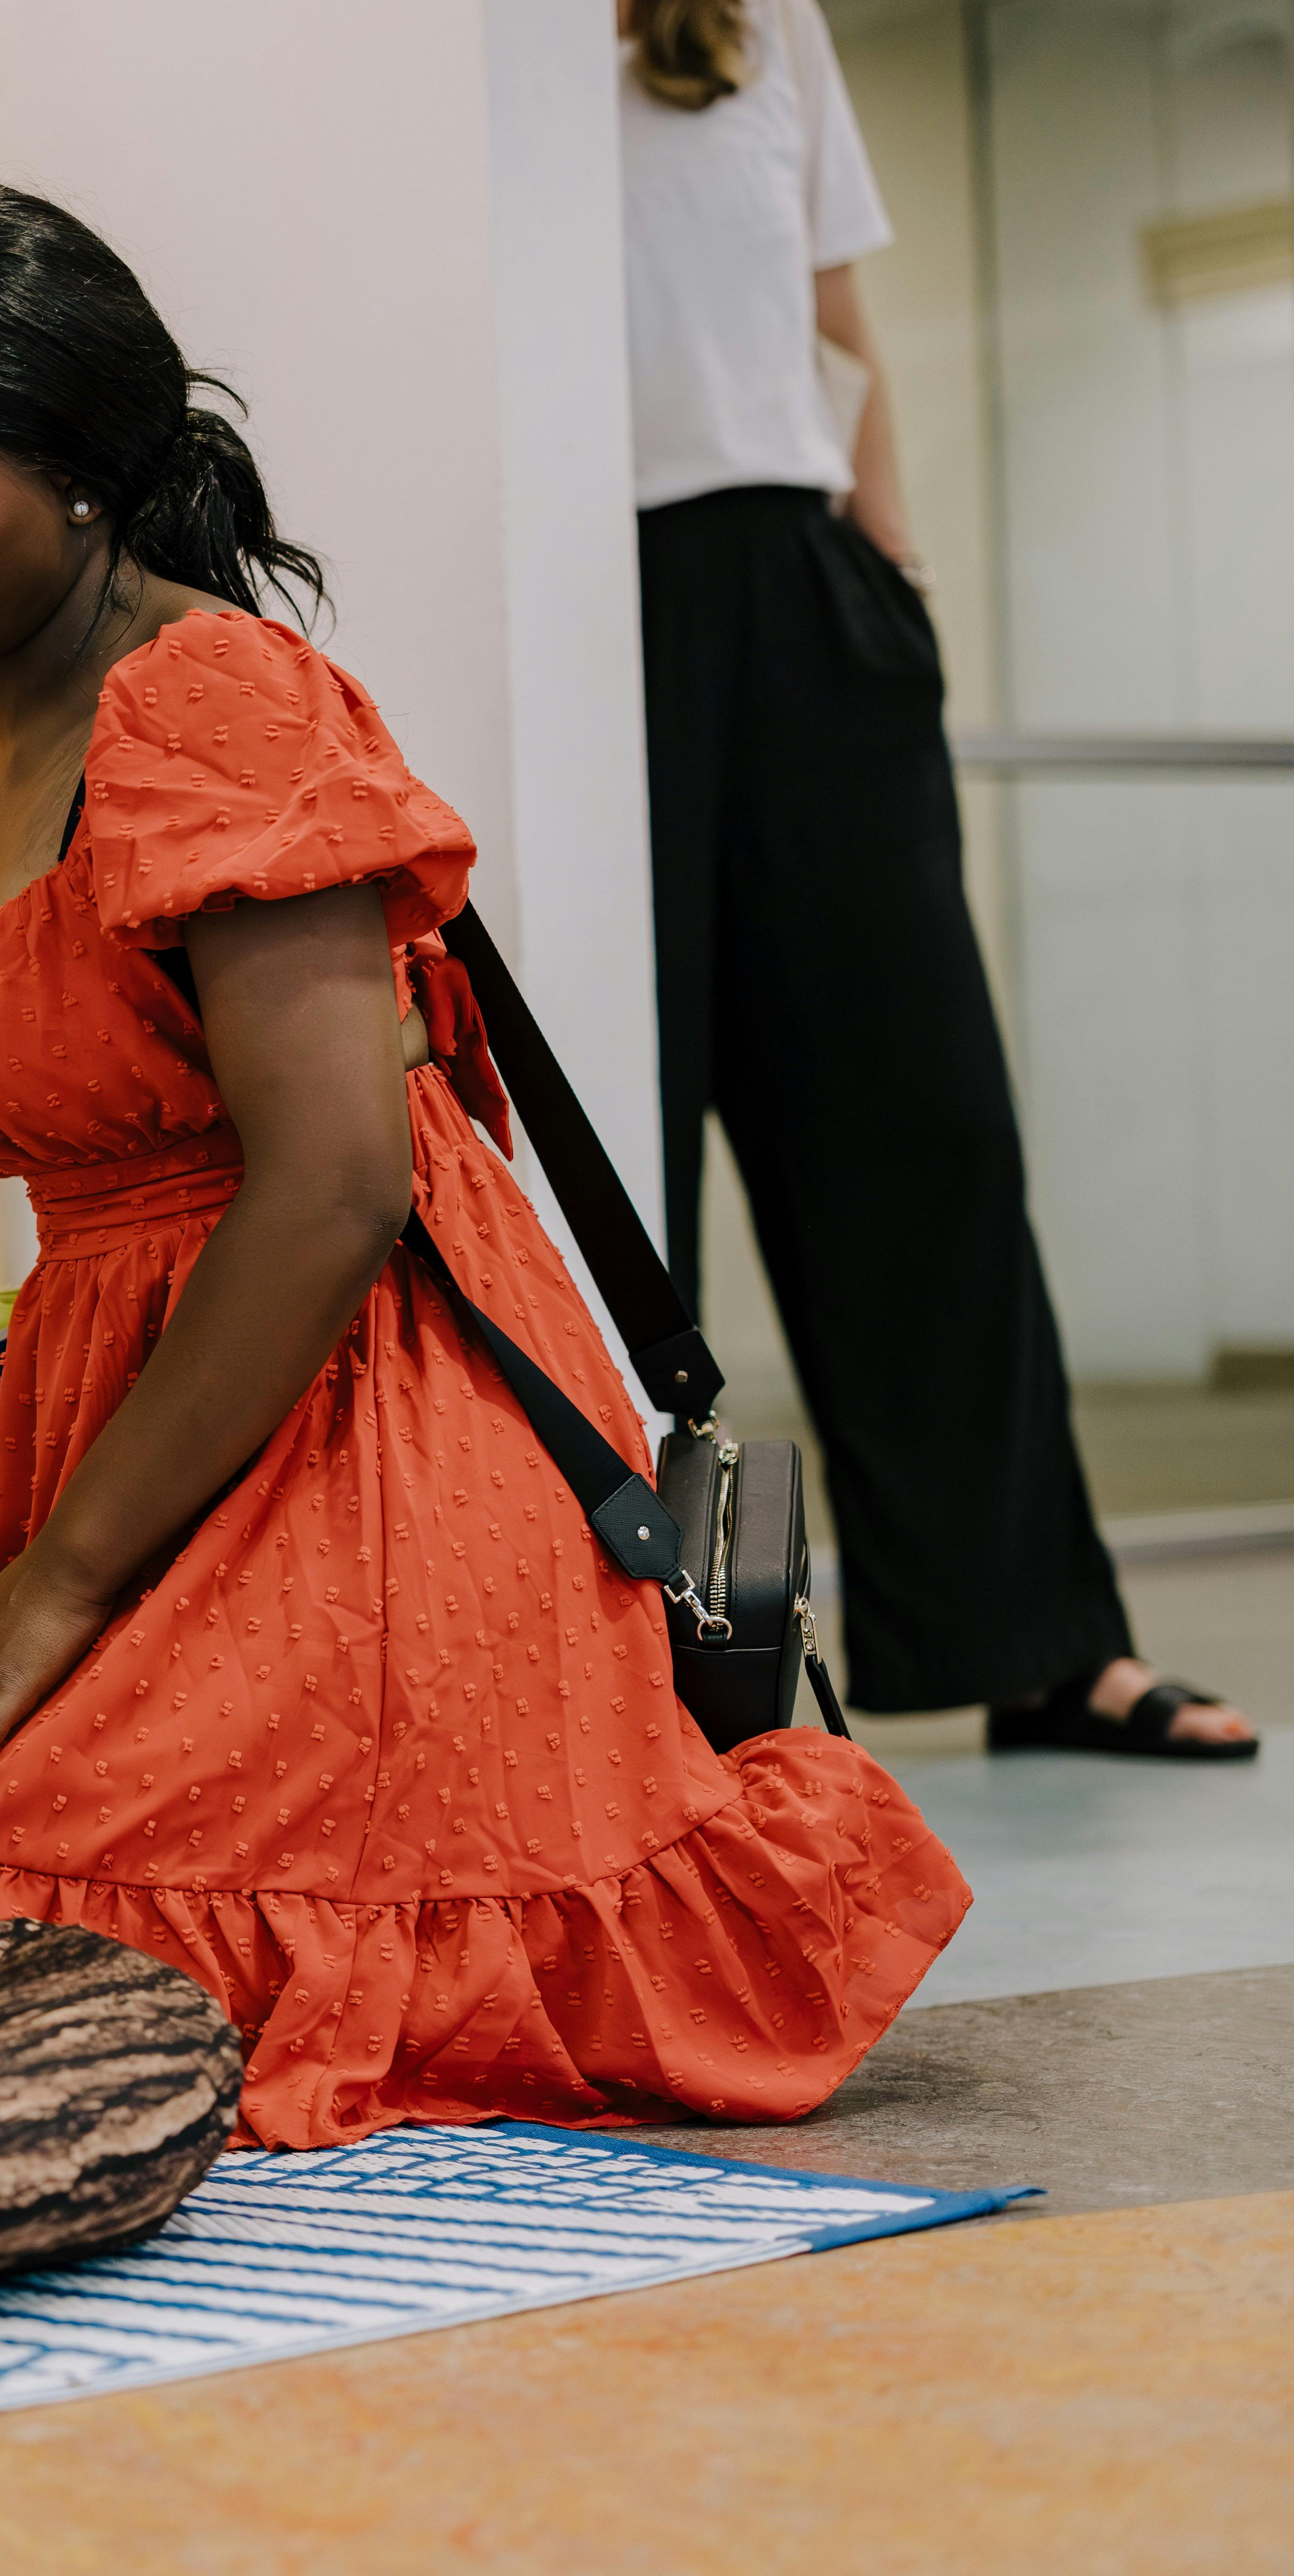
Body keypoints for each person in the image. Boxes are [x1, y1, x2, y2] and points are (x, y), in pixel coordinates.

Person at [0, 180, 974, 2148]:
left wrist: (53, 1589)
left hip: (357, 1457)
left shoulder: (212, 701)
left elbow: (329, 1188)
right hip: (142, 1443)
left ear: (73, 479)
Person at [619, 0, 1251, 1757]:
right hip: (589, 604)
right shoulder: (477, 56)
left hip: (807, 590)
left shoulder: (757, 27)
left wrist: (889, 580)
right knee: (611, 1154)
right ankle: (612, 1684)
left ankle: (1040, 1639)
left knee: (927, 1130)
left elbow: (839, 327)